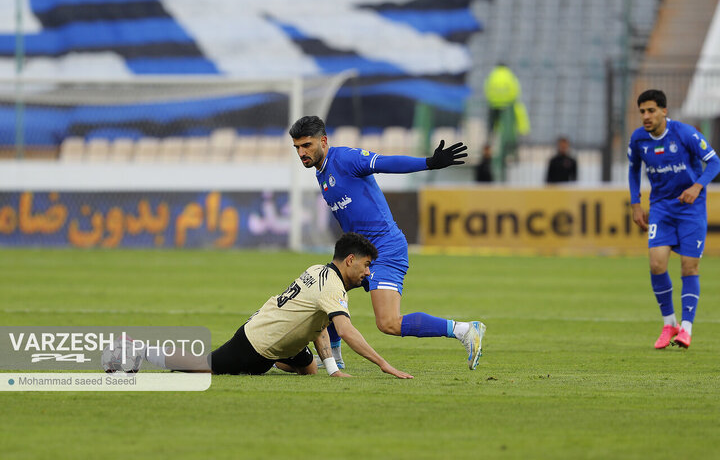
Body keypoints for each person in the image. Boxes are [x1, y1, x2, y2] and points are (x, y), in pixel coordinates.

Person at [289, 115, 487, 371]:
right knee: (324, 292)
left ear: (323, 141)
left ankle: (464, 330)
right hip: (359, 252)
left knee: (388, 323)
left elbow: (385, 162)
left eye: (307, 145)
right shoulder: (321, 172)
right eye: (297, 148)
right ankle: (335, 355)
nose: (302, 153)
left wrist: (429, 163)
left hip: (385, 247)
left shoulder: (346, 159)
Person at [105, 232, 413, 379]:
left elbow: (318, 324)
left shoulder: (318, 270)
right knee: (203, 367)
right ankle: (137, 349)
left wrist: (331, 368)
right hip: (256, 340)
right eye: (367, 265)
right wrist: (385, 365)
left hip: (281, 337)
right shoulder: (332, 286)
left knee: (309, 371)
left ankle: (286, 359)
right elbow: (344, 331)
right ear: (350, 260)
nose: (368, 272)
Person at [628, 89, 720, 349]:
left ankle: (687, 329)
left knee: (689, 267)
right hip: (660, 208)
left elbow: (714, 163)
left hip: (690, 209)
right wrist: (636, 203)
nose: (646, 116)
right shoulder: (638, 139)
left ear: (664, 111)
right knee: (657, 265)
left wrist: (697, 187)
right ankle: (670, 324)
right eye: (642, 111)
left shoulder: (685, 133)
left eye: (651, 110)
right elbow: (633, 169)